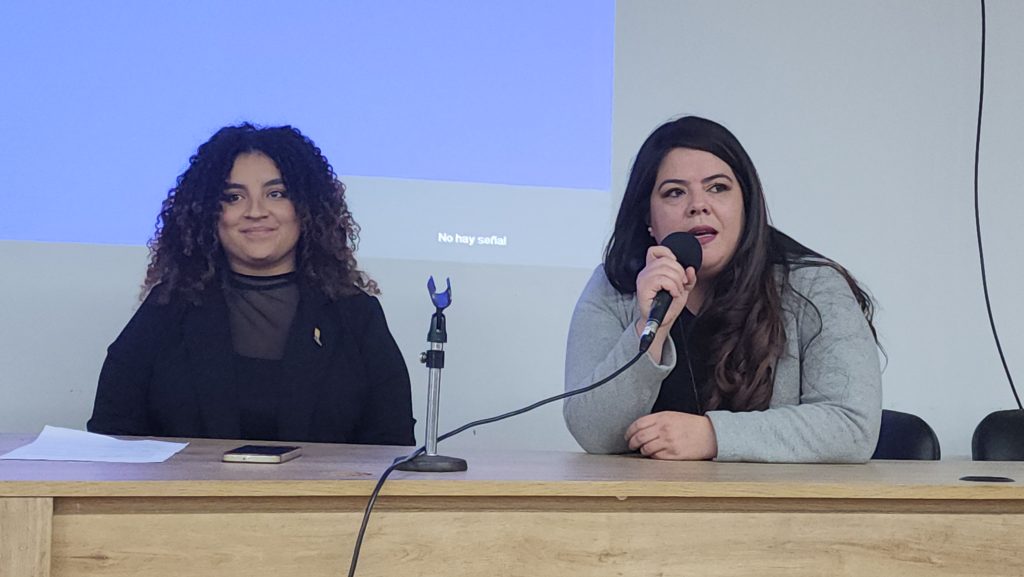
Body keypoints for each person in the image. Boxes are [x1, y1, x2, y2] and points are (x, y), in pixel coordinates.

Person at [563, 116, 881, 463]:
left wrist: (712, 436)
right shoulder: (616, 287)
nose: (698, 205)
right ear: (648, 220)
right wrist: (649, 329)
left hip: (777, 511)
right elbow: (593, 433)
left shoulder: (814, 287)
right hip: (650, 509)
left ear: (746, 204)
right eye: (674, 192)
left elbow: (852, 427)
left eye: (718, 188)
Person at [88, 123, 415, 445]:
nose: (255, 211)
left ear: (307, 209)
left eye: (277, 194)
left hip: (325, 499)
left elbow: (391, 444)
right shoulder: (168, 308)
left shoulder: (355, 314)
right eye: (233, 197)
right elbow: (110, 432)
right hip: (192, 498)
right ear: (208, 214)